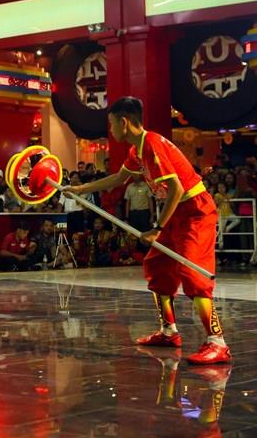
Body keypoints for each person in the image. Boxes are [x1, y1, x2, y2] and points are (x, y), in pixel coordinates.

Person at [66, 96, 230, 365]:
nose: (111, 130)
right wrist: (80, 189)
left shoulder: (152, 144)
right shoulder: (137, 150)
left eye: (112, 124)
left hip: (195, 212)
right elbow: (119, 179)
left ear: (124, 122)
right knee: (157, 267)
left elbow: (176, 189)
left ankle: (217, 342)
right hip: (177, 212)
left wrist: (156, 228)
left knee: (192, 274)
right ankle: (169, 331)